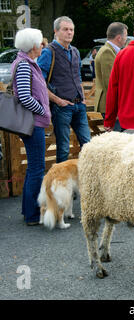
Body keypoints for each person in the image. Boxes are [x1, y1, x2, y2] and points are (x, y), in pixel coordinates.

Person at [11, 28, 51, 226]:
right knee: (37, 168)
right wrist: (42, 110)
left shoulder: (27, 63)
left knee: (34, 168)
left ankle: (28, 210)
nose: (42, 46)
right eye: (40, 43)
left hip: (33, 123)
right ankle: (33, 214)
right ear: (34, 46)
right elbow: (24, 97)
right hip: (33, 124)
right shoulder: (25, 65)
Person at [37, 16, 91, 163]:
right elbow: (39, 83)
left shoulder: (75, 51)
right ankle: (61, 183)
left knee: (88, 145)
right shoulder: (48, 52)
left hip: (79, 105)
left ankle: (87, 181)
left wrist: (83, 98)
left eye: (71, 29)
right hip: (62, 108)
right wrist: (58, 101)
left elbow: (78, 77)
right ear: (56, 31)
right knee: (63, 149)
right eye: (65, 29)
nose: (69, 33)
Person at [94, 22, 128, 118]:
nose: (126, 39)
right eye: (125, 35)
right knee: (117, 133)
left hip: (112, 104)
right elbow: (110, 83)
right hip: (111, 105)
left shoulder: (110, 51)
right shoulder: (107, 52)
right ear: (119, 37)